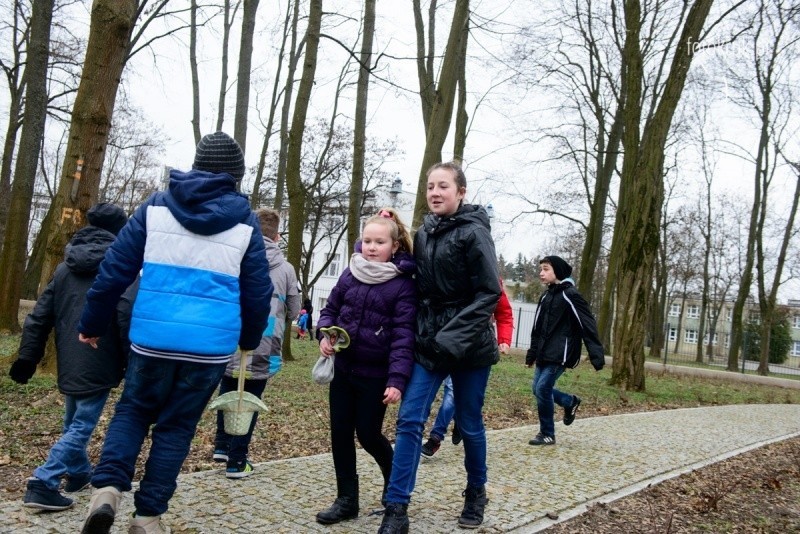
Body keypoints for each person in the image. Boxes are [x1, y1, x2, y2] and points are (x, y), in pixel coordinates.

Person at [76, 131, 273, 534]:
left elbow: (114, 270)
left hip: (152, 339)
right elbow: (258, 292)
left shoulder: (155, 207)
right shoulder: (245, 223)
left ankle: (108, 491)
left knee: (132, 411)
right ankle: (148, 518)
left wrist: (92, 323)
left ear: (197, 165)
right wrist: (250, 339)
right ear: (235, 177)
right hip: (209, 348)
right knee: (176, 428)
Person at [379, 162, 501, 533]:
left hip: (470, 347)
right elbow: (409, 272)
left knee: (468, 423)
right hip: (428, 342)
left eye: (443, 186)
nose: (435, 192)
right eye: (430, 186)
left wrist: (451, 338)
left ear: (461, 192)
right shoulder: (424, 231)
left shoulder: (475, 232)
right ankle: (396, 509)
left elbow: (489, 294)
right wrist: (385, 229)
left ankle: (476, 491)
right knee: (409, 420)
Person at [8, 203, 130, 512]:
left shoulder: (63, 268)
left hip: (69, 357)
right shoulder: (120, 267)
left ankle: (78, 476)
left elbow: (38, 316)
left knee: (73, 422)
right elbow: (126, 315)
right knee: (81, 426)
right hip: (100, 356)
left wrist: (27, 358)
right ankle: (43, 482)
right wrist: (133, 362)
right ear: (119, 231)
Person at [315, 213, 416, 525]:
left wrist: (397, 379)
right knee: (341, 434)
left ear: (395, 246)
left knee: (369, 434)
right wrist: (325, 334)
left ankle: (394, 488)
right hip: (344, 370)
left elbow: (403, 336)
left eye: (380, 242)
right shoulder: (349, 274)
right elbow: (329, 310)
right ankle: (346, 500)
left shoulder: (402, 286)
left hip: (376, 376)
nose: (372, 247)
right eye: (368, 241)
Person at [212, 208, 300, 478]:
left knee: (228, 385)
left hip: (231, 335)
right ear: (277, 235)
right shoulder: (285, 269)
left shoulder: (235, 257)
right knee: (251, 397)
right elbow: (295, 309)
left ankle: (223, 445)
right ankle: (237, 460)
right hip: (265, 340)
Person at [421, 279, 514, 457]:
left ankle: (435, 438)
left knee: (453, 394)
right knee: (454, 394)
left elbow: (504, 312)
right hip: (442, 346)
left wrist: (504, 340)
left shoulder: (490, 279)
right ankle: (456, 424)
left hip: (472, 351)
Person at [525, 255, 604, 446]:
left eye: (545, 269)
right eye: (541, 269)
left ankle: (547, 433)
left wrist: (596, 354)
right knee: (537, 389)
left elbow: (588, 324)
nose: (541, 273)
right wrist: (532, 354)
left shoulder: (570, 295)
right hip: (544, 352)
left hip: (561, 353)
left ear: (557, 272)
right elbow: (537, 328)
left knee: (543, 388)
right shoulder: (545, 296)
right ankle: (569, 402)